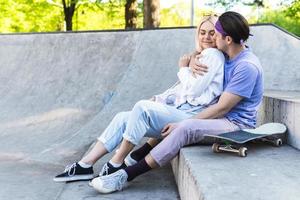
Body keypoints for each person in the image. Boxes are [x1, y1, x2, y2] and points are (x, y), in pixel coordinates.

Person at [89, 11, 264, 194]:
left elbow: (222, 108)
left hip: (235, 123)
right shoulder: (231, 53)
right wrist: (194, 58)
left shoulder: (246, 67)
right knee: (169, 115)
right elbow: (208, 58)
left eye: (216, 34)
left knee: (183, 129)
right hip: (219, 115)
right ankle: (137, 155)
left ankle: (125, 175)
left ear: (228, 39)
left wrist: (183, 122)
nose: (213, 38)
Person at [53, 14, 225, 182]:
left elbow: (193, 91)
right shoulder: (202, 55)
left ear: (219, 34)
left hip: (193, 117)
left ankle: (116, 162)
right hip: (180, 111)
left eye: (212, 33)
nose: (206, 37)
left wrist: (183, 68)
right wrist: (160, 99)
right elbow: (182, 90)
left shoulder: (213, 56)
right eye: (202, 32)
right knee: (122, 117)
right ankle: (86, 164)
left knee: (142, 107)